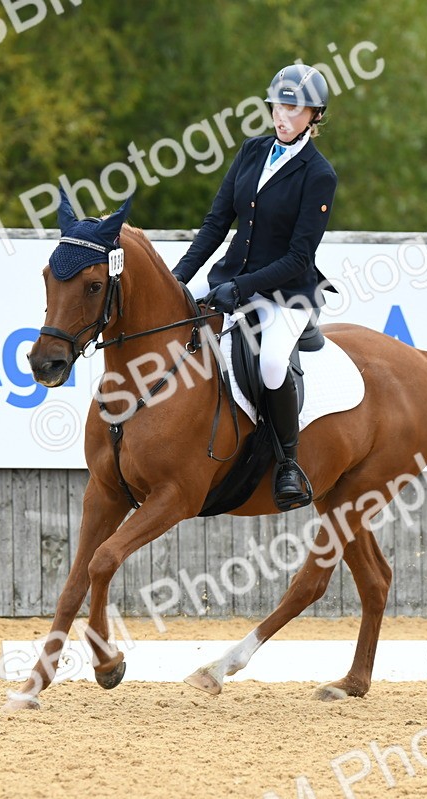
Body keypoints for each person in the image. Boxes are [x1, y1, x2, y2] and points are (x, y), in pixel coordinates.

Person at [172, 63, 337, 511]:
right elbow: (215, 223)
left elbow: (299, 257)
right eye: (278, 105)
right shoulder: (251, 151)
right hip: (233, 286)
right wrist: (177, 278)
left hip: (288, 293)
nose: (282, 116)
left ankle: (288, 462)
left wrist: (242, 287)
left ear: (314, 115)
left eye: (294, 108)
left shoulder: (318, 174)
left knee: (269, 364)